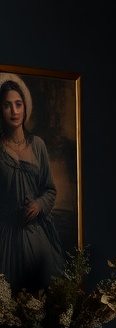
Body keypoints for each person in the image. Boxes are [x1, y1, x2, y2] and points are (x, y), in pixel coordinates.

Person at [0, 77, 64, 290]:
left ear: (25, 108)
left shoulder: (37, 145)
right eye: (7, 105)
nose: (14, 111)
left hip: (36, 237)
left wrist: (38, 205)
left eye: (18, 104)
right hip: (7, 239)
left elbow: (49, 189)